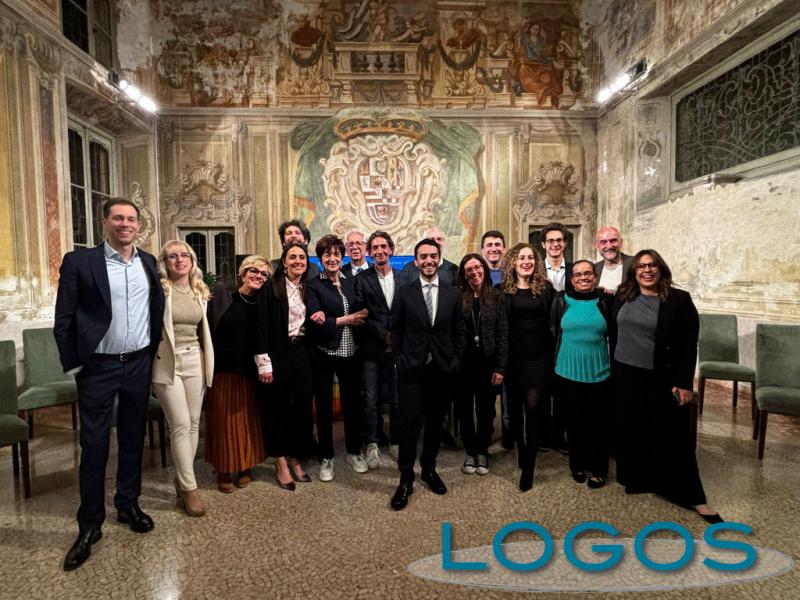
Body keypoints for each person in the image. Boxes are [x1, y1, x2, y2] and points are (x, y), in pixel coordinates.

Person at [54, 198, 165, 571]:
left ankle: (128, 504)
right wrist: (75, 366)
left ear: (138, 225)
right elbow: (64, 318)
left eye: (131, 219)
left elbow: (155, 308)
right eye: (118, 218)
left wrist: (151, 353)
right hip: (97, 367)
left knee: (133, 438)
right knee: (94, 444)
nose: (125, 224)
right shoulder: (80, 262)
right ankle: (90, 524)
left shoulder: (147, 262)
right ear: (105, 222)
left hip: (137, 364)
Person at [611, 249, 722, 523]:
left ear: (661, 269)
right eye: (640, 267)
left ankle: (692, 496)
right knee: (632, 428)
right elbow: (614, 332)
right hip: (625, 373)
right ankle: (638, 479)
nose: (646, 270)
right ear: (633, 272)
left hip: (661, 376)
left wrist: (684, 382)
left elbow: (688, 345)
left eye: (652, 266)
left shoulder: (678, 300)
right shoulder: (623, 295)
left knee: (673, 434)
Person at [390, 238, 466, 510]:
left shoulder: (453, 293)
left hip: (442, 370)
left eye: (433, 256)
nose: (429, 261)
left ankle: (429, 469)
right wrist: (399, 359)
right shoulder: (405, 292)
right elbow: (395, 329)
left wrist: (455, 361)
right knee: (409, 427)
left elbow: (459, 331)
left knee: (435, 424)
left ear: (439, 258)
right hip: (411, 369)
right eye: (423, 256)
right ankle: (405, 478)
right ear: (416, 261)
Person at [152, 240, 214, 517]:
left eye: (184, 255)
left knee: (194, 423)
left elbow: (203, 331)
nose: (179, 260)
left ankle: (182, 479)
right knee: (179, 423)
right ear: (164, 262)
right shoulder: (159, 290)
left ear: (192, 259)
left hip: (194, 359)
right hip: (166, 361)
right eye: (172, 256)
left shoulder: (200, 290)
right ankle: (190, 488)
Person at [306, 234, 369, 482]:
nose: (332, 259)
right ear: (320, 258)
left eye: (336, 254)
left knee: (352, 404)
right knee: (323, 407)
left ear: (342, 257)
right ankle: (327, 457)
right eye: (327, 254)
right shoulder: (314, 285)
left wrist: (333, 319)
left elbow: (363, 308)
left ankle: (354, 452)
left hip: (351, 352)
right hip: (324, 353)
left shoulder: (352, 280)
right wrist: (347, 319)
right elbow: (315, 322)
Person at [205, 255, 269, 493]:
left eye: (263, 274)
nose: (258, 276)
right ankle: (223, 468)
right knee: (223, 421)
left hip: (249, 371)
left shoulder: (263, 302)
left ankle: (244, 465)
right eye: (253, 271)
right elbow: (208, 328)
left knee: (247, 421)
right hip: (223, 369)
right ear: (243, 273)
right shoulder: (223, 295)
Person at [256, 242, 314, 490]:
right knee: (276, 408)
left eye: (302, 257)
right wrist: (263, 362)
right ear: (284, 262)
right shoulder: (271, 288)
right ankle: (279, 461)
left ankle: (295, 457)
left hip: (301, 352)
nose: (298, 261)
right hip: (276, 353)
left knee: (302, 408)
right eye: (293, 257)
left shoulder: (309, 288)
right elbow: (260, 325)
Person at [550, 260, 611, 489]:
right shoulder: (561, 301)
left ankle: (598, 469)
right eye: (577, 274)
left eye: (587, 273)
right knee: (573, 422)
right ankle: (576, 465)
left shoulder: (605, 302)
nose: (583, 277)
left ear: (595, 277)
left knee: (598, 424)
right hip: (566, 372)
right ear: (572, 279)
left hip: (599, 372)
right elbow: (553, 332)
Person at [501, 243, 554, 492]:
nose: (526, 261)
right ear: (513, 262)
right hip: (512, 359)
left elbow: (555, 322)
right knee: (514, 410)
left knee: (533, 408)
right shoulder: (503, 291)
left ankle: (529, 466)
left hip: (538, 358)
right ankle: (521, 450)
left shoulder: (546, 289)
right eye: (521, 257)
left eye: (530, 257)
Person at [355, 231, 406, 468]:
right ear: (369, 252)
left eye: (383, 246)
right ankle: (373, 443)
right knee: (371, 398)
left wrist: (395, 335)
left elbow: (407, 310)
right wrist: (382, 333)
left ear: (391, 250)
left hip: (397, 348)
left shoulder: (404, 277)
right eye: (374, 247)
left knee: (397, 397)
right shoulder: (362, 279)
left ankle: (396, 440)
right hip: (371, 347)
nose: (379, 251)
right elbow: (360, 310)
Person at [455, 254, 507, 476]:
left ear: (484, 269)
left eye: (477, 267)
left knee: (486, 410)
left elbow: (502, 333)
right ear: (463, 273)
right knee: (464, 409)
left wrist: (500, 368)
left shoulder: (497, 296)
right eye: (469, 269)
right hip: (463, 363)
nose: (474, 272)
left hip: (488, 361)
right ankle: (470, 450)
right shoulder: (458, 297)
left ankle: (482, 450)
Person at [540, 222, 572, 454]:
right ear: (543, 244)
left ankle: (561, 434)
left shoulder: (575, 270)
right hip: (542, 336)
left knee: (563, 387)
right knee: (543, 387)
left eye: (559, 240)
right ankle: (544, 434)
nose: (555, 244)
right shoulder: (535, 270)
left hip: (567, 335)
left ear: (565, 243)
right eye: (550, 240)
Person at [593, 226, 634, 295]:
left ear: (621, 242)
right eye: (603, 242)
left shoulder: (635, 263)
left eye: (613, 241)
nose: (609, 246)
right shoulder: (594, 269)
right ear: (597, 246)